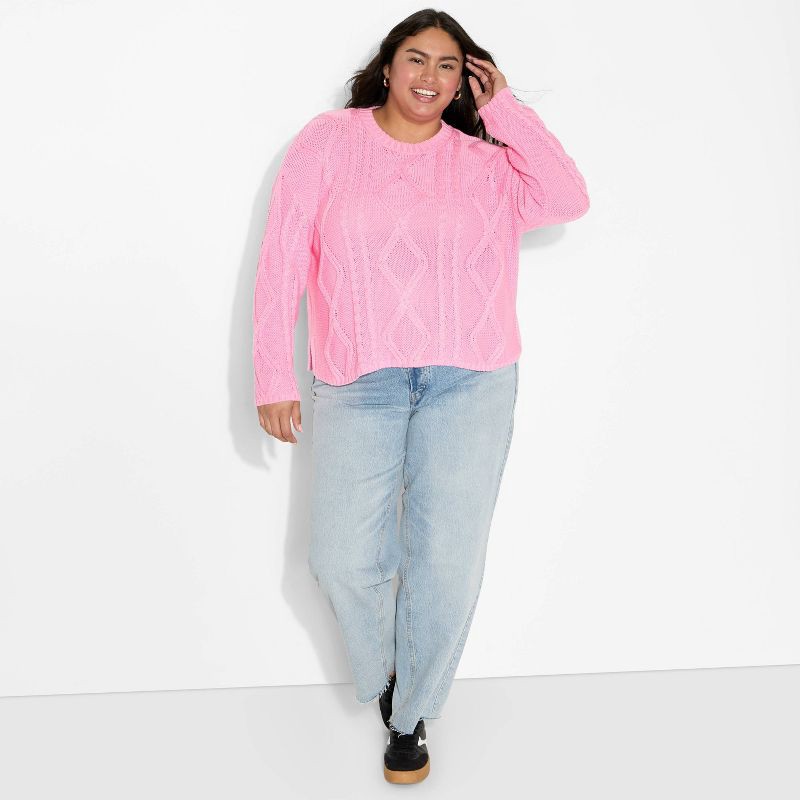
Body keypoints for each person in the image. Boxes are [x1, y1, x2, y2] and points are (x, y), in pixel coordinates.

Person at [253, 8, 589, 784]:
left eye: (448, 65)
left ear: (467, 79)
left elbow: (568, 199)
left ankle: (410, 719)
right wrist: (273, 375)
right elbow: (281, 258)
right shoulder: (328, 142)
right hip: (356, 378)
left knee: (448, 563)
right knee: (340, 559)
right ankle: (391, 675)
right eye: (416, 58)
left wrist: (506, 109)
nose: (429, 77)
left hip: (470, 381)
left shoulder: (487, 163)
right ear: (388, 65)